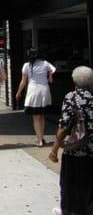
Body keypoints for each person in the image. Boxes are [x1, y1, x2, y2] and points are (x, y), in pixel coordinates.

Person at [49, 66, 93, 215]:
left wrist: (55, 149)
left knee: (70, 184)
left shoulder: (71, 97)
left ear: (74, 81)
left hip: (74, 149)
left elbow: (64, 126)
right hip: (91, 150)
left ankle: (68, 210)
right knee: (89, 186)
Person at [15, 48, 56, 147]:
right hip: (44, 91)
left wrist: (18, 92)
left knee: (36, 118)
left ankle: (39, 140)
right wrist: (48, 76)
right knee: (42, 116)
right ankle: (41, 137)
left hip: (33, 91)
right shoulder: (46, 64)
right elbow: (51, 80)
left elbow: (23, 82)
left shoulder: (26, 66)